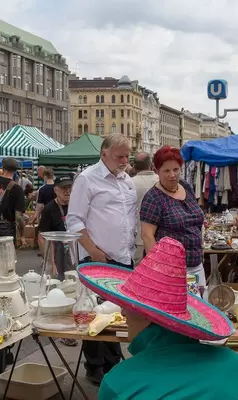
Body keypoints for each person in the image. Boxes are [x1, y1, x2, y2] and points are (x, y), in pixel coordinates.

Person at [78, 237, 238, 399]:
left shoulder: (119, 383)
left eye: (127, 305)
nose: (122, 313)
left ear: (147, 317)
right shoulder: (231, 364)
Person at [67, 133, 136, 385]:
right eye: (120, 156)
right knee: (96, 314)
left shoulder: (127, 179)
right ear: (104, 153)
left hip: (124, 257)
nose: (124, 160)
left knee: (119, 314)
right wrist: (93, 250)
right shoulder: (87, 179)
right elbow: (74, 220)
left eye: (127, 155)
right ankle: (94, 366)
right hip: (98, 259)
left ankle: (114, 363)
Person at [140, 145, 206, 284]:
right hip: (170, 271)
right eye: (167, 171)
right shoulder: (153, 198)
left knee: (199, 304)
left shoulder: (186, 186)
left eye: (176, 169)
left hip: (196, 265)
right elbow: (147, 236)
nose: (172, 175)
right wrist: (158, 268)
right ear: (157, 171)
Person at [131, 152, 158, 264]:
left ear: (135, 166)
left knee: (139, 275)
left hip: (139, 239)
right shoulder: (161, 181)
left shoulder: (129, 183)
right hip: (160, 238)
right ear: (150, 164)